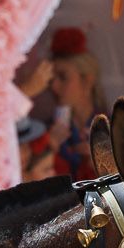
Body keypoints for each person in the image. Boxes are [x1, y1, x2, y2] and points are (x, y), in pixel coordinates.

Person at [25, 28, 101, 180]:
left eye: (63, 77)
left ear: (87, 81)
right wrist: (48, 147)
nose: (54, 86)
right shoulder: (42, 133)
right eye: (51, 79)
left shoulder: (113, 129)